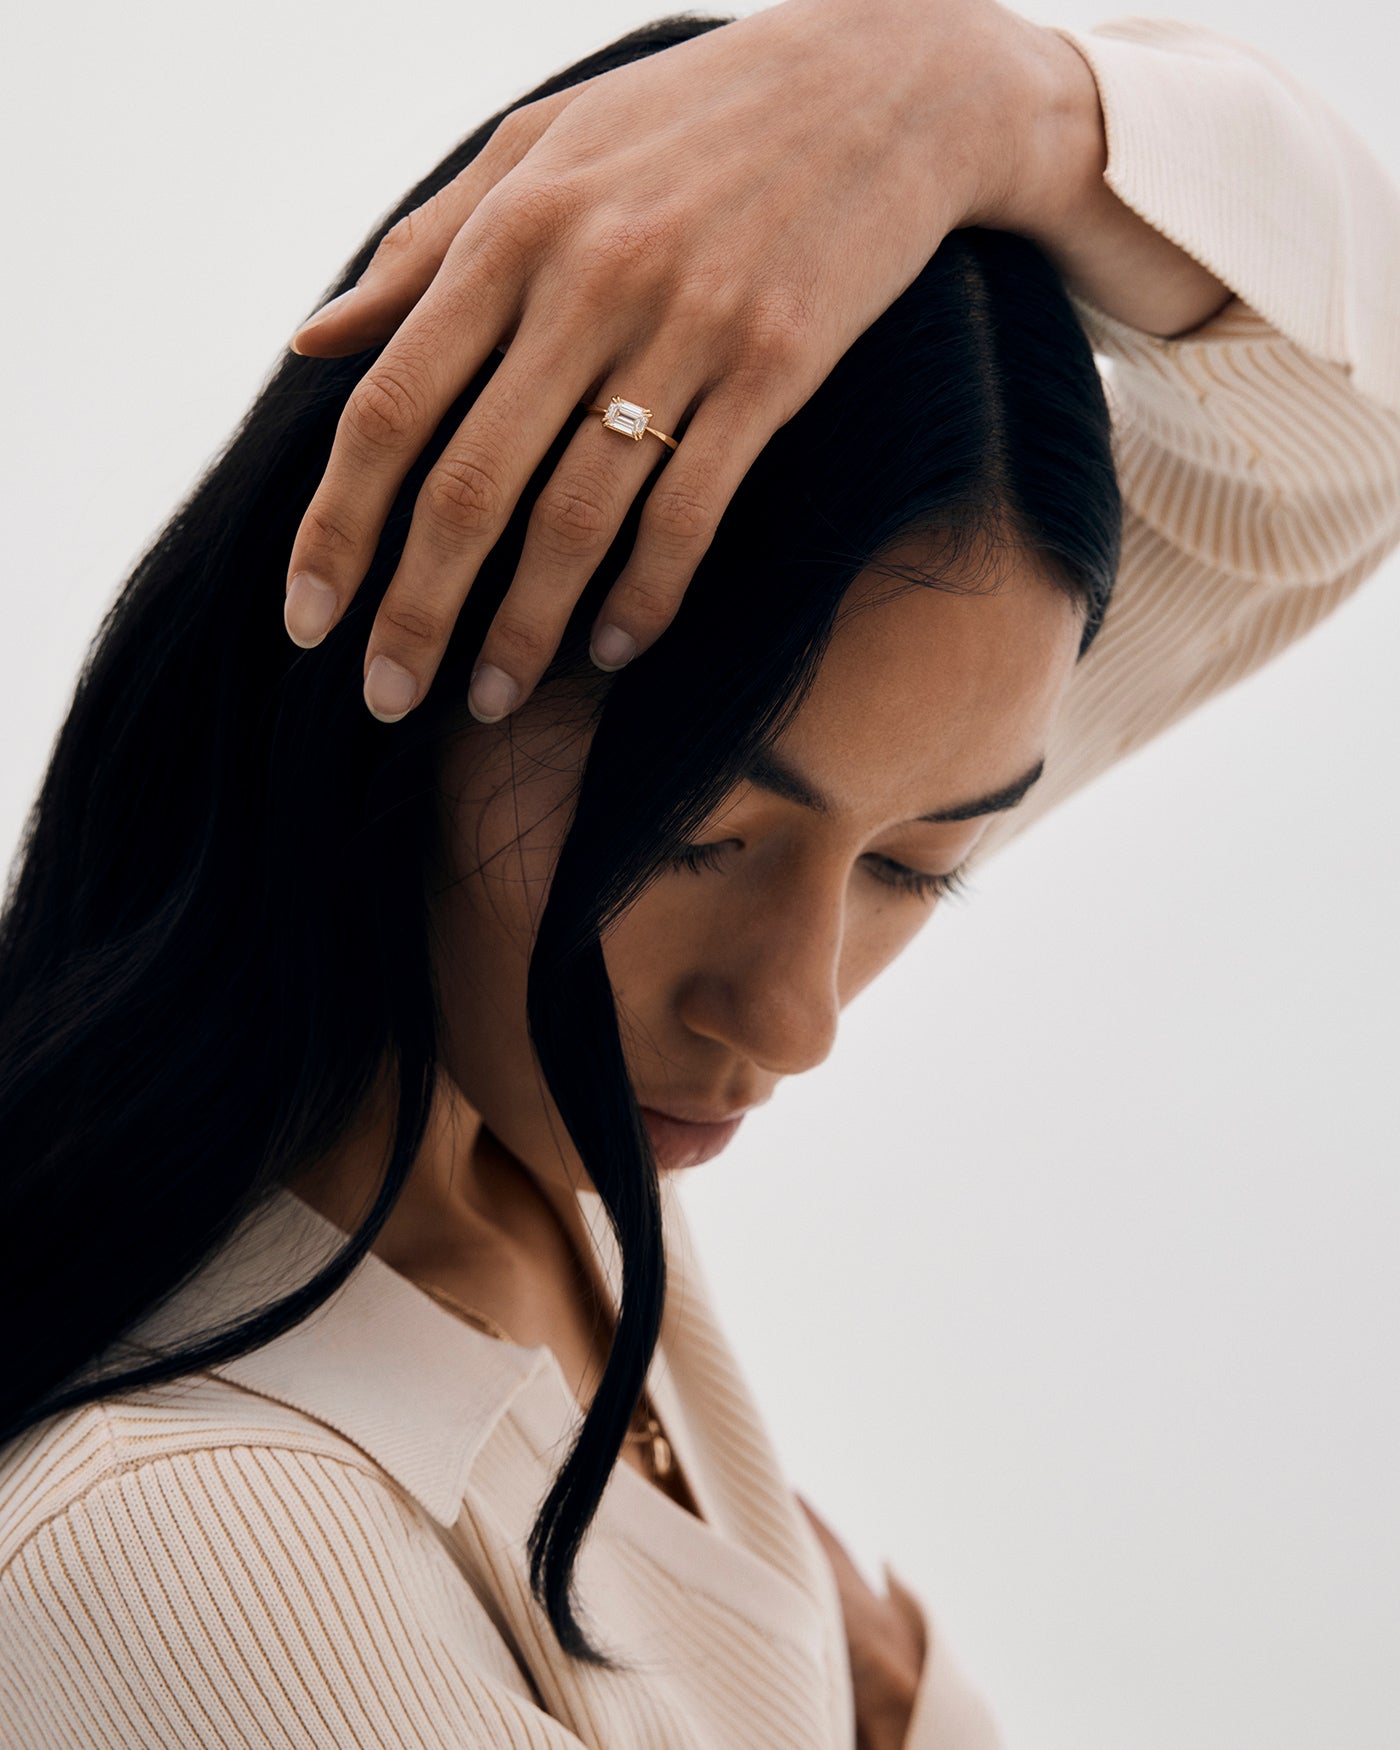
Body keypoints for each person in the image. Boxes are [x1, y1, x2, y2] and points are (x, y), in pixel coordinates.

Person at [0, 4, 1396, 1747]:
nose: (795, 1011)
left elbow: (1347, 421)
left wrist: (959, 99)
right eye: (699, 837)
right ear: (398, 684)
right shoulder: (197, 1545)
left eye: (922, 865)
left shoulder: (506, 1115)